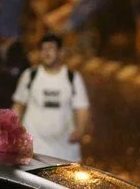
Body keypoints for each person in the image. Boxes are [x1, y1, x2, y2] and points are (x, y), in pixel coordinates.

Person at [12, 34, 90, 162]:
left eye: (51, 48)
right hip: (34, 149)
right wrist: (14, 130)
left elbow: (81, 107)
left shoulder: (73, 78)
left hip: (65, 150)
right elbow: (18, 105)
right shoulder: (30, 75)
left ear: (60, 52)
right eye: (43, 49)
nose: (46, 53)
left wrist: (80, 129)